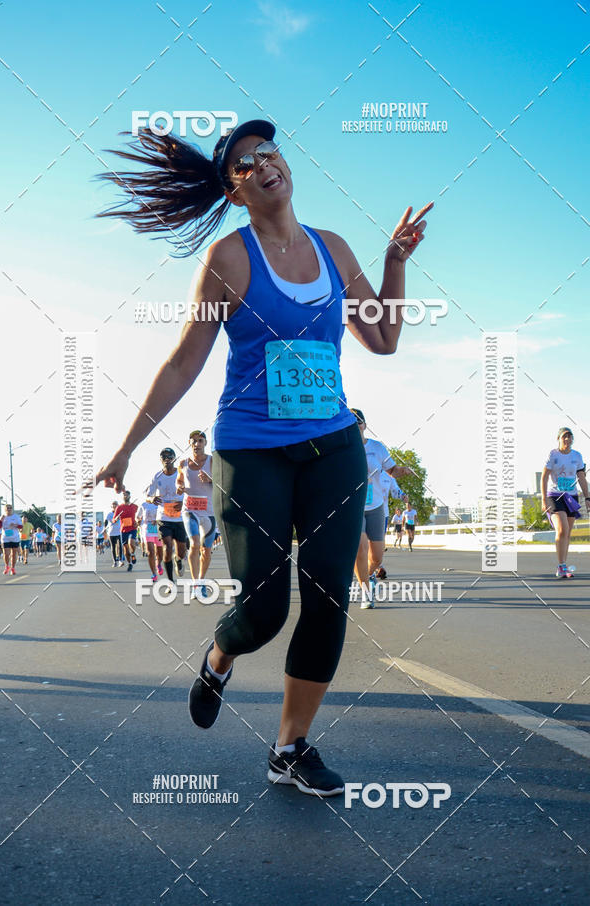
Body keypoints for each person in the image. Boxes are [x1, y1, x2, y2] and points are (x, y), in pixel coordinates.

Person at [95, 118, 431, 796]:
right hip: (252, 451)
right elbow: (185, 361)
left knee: (331, 592)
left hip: (333, 445)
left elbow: (385, 338)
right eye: (245, 164)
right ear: (235, 191)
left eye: (269, 152)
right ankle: (220, 655)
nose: (263, 164)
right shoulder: (228, 259)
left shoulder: (334, 248)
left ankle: (290, 745)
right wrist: (127, 446)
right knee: (266, 609)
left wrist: (395, 263)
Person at [351, 408, 411, 609]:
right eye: (351, 420)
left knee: (376, 557)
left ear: (365, 425)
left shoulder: (377, 448)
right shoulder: (341, 448)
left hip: (376, 506)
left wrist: (403, 471)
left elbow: (392, 471)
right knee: (360, 548)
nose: (356, 423)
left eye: (359, 421)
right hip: (353, 506)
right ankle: (366, 592)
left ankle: (368, 577)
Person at [541, 427, 589, 579]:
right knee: (562, 529)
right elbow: (544, 477)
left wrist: (587, 498)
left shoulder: (577, 456)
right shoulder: (553, 454)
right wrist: (543, 500)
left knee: (567, 532)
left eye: (570, 437)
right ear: (559, 439)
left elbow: (581, 478)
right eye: (564, 437)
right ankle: (561, 566)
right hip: (554, 496)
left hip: (571, 497)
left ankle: (563, 565)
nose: (567, 440)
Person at [177, 430, 217, 602]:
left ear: (205, 443)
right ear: (189, 443)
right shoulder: (183, 463)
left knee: (206, 550)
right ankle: (195, 585)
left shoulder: (212, 461)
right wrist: (179, 487)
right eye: (194, 441)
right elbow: (179, 480)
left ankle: (200, 581)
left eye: (200, 441)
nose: (197, 444)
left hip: (209, 512)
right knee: (194, 544)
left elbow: (222, 482)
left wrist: (211, 480)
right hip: (189, 509)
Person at [146, 449, 187, 585]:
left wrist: (184, 502)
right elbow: (147, 495)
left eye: (170, 456)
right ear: (160, 459)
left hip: (180, 518)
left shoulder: (181, 473)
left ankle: (178, 560)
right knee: (167, 547)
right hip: (163, 517)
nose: (167, 458)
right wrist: (151, 499)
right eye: (164, 456)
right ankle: (170, 581)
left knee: (181, 551)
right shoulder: (157, 477)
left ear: (174, 458)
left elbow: (192, 491)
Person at [136, 496, 164, 582]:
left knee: (160, 552)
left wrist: (158, 520)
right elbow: (137, 517)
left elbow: (165, 515)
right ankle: (154, 573)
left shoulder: (161, 503)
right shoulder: (144, 505)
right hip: (147, 529)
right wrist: (138, 520)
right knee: (150, 552)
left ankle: (158, 564)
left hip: (159, 529)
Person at [114, 490, 139, 572]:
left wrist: (138, 522)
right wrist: (116, 519)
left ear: (129, 496)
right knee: (125, 550)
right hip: (124, 529)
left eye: (126, 495)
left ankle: (133, 554)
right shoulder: (119, 507)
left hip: (132, 528)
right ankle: (130, 563)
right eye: (124, 495)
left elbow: (140, 516)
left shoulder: (134, 506)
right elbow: (114, 520)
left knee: (131, 543)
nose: (125, 496)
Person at [0, 504, 23, 575]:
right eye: (7, 508)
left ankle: (13, 568)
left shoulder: (16, 517)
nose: (9, 509)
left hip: (14, 537)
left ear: (12, 509)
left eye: (10, 508)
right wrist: (1, 520)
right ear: (5, 509)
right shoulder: (3, 516)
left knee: (13, 554)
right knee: (6, 554)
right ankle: (6, 566)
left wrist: (15, 525)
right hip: (5, 538)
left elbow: (21, 526)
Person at [105, 502, 123, 567]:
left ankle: (120, 560)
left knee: (120, 546)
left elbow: (123, 520)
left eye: (115, 505)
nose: (114, 506)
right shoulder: (109, 514)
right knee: (113, 547)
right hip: (111, 533)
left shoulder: (120, 513)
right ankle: (115, 561)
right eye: (113, 505)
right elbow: (107, 522)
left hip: (119, 532)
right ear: (111, 506)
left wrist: (119, 518)